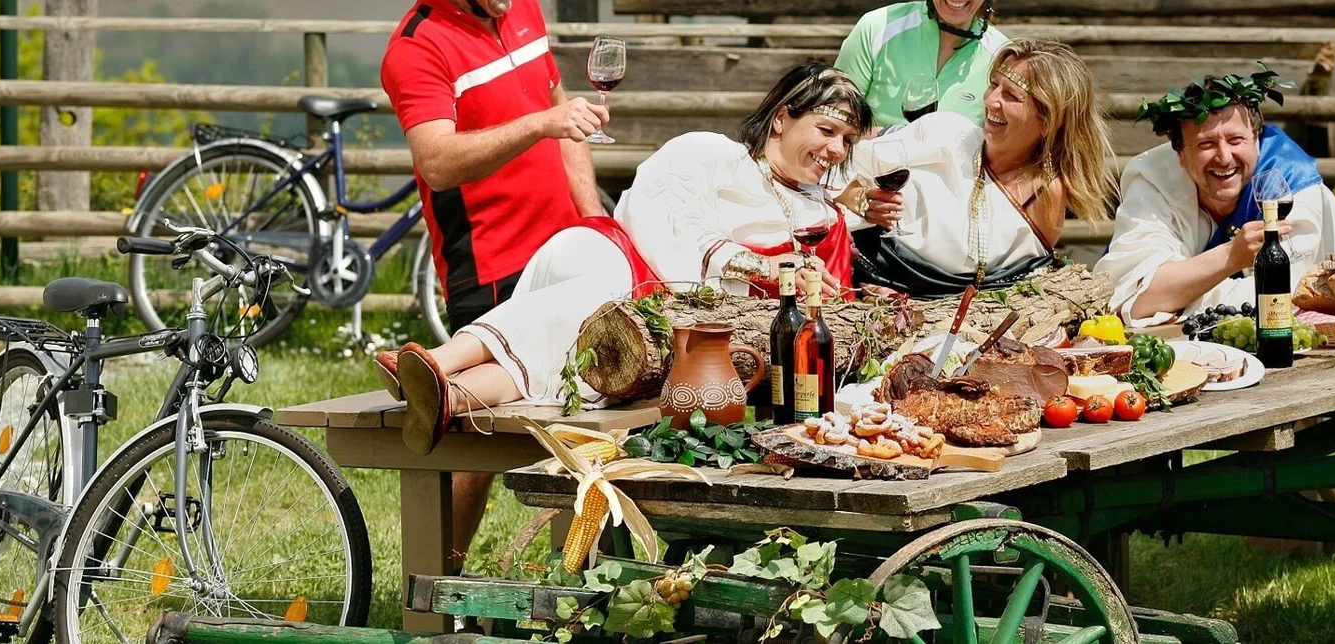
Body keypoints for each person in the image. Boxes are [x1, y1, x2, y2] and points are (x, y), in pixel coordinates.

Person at [384, 62, 872, 453]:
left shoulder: (823, 220)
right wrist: (753, 264)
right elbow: (660, 219)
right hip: (626, 263)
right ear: (782, 117)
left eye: (846, 141)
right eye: (825, 129)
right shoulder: (708, 155)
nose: (834, 149)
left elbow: (826, 313)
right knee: (603, 289)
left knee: (603, 324)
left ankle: (446, 390)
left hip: (674, 325)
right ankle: (442, 364)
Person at [378, 0, 608, 577]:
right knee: (478, 446)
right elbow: (436, 163)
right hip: (490, 263)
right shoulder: (416, 47)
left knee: (582, 409)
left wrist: (592, 220)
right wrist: (538, 125)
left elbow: (565, 118)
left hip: (564, 248)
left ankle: (575, 584)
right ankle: (437, 588)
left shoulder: (522, 7)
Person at [844, 39, 1115, 298]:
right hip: (866, 287)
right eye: (994, 85)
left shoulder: (1045, 192)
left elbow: (1019, 277)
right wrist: (861, 200)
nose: (990, 100)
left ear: (1048, 121)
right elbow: (838, 172)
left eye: (1011, 95)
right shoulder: (945, 132)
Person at [1096, 69, 1335, 326]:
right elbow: (1134, 298)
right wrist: (1231, 256)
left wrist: (1180, 293)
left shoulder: (1290, 179)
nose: (1224, 158)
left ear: (1256, 141)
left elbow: (1279, 298)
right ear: (1178, 153)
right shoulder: (1153, 178)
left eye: (1236, 140)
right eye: (1206, 144)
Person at [834, 0, 1010, 129]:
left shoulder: (1003, 55)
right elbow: (834, 121)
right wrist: (887, 137)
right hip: (869, 173)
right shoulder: (875, 27)